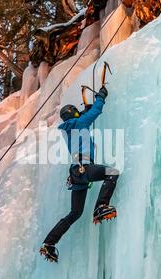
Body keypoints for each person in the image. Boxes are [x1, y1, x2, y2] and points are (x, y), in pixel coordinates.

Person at [40, 85, 119, 262]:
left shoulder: (70, 128)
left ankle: (49, 243)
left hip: (76, 173)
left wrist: (83, 112)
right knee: (112, 172)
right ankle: (101, 206)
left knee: (75, 213)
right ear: (74, 114)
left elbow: (82, 120)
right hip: (84, 167)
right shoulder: (79, 123)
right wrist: (101, 97)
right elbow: (96, 111)